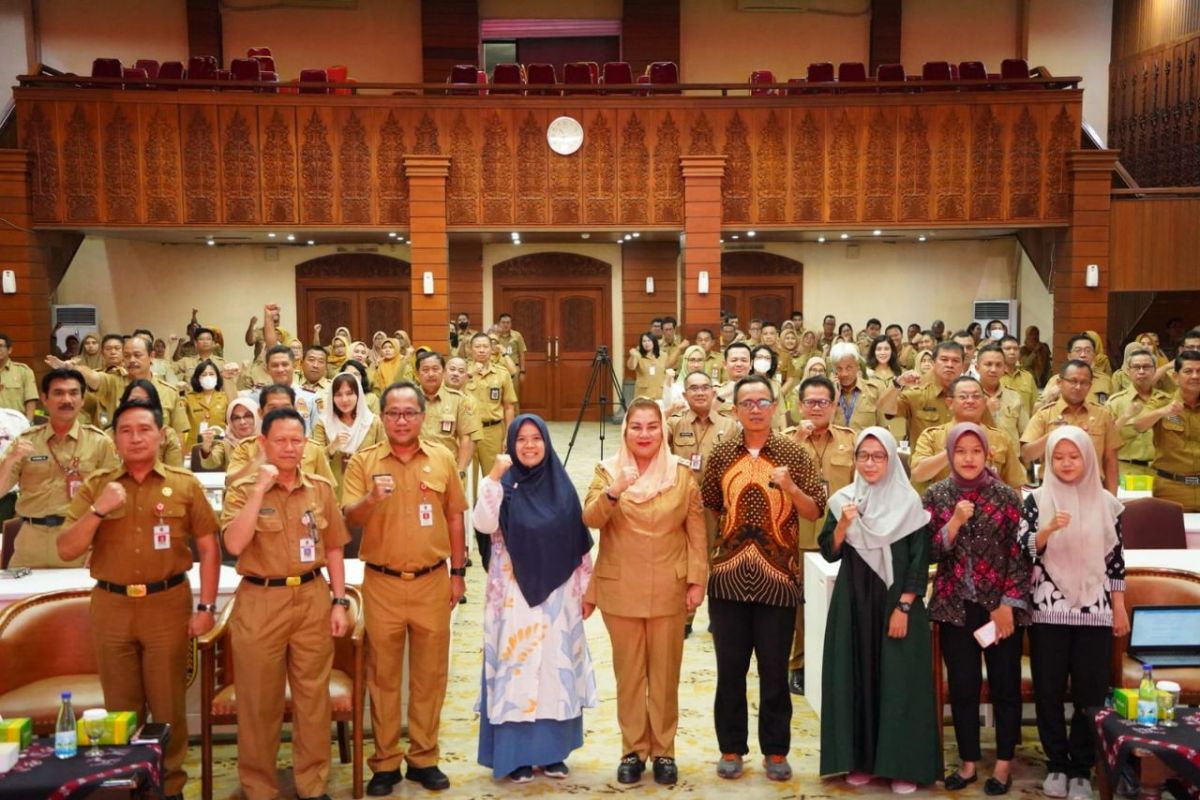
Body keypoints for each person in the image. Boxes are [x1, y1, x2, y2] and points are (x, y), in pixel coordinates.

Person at [58, 399, 221, 800]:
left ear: (161, 434)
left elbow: (209, 547)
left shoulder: (184, 484)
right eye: (126, 430)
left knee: (168, 707)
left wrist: (206, 608)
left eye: (144, 429)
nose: (135, 437)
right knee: (121, 709)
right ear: (114, 438)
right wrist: (99, 510)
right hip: (111, 606)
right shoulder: (98, 485)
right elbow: (66, 548)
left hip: (167, 603)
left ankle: (170, 788)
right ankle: (128, 785)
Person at [343, 382, 468, 794]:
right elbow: (351, 519)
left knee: (429, 676)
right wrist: (371, 498)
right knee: (383, 677)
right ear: (382, 417)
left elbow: (454, 518)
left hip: (433, 580)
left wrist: (458, 571)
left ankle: (423, 757)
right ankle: (384, 762)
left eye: (409, 412)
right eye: (393, 413)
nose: (401, 420)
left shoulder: (443, 458)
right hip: (382, 583)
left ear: (421, 416)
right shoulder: (363, 462)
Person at [221, 406, 351, 800]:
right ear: (263, 443)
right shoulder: (243, 489)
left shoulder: (320, 488)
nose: (290, 448)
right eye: (281, 440)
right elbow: (233, 544)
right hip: (260, 600)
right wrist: (260, 488)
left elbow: (333, 549)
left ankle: (312, 785)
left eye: (297, 440)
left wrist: (339, 601)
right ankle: (260, 788)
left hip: (312, 597)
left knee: (313, 700)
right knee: (259, 701)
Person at [702, 376, 825, 782]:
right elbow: (710, 510)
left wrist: (788, 486)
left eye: (762, 402)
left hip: (779, 579)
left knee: (774, 671)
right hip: (728, 578)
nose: (755, 409)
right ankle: (731, 748)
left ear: (775, 407)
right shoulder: (720, 455)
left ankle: (776, 751)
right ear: (735, 409)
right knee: (730, 670)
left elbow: (813, 512)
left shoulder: (796, 454)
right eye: (746, 402)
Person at [583, 398, 707, 786]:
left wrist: (696, 580)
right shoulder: (606, 472)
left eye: (652, 426)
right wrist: (616, 490)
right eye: (636, 427)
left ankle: (664, 752)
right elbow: (589, 517)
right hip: (620, 589)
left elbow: (697, 533)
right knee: (630, 675)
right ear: (625, 431)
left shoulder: (682, 475)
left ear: (663, 430)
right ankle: (633, 751)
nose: (644, 434)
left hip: (669, 588)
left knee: (666, 674)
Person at [472, 416, 596, 783]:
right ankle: (517, 755)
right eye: (521, 439)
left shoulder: (561, 485)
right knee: (518, 672)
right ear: (511, 444)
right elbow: (482, 524)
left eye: (536, 438)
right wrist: (493, 479)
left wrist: (587, 591)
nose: (529, 445)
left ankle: (553, 752)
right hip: (512, 597)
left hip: (559, 597)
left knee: (554, 673)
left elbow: (579, 541)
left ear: (546, 443)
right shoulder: (500, 485)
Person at [819, 426, 940, 794]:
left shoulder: (909, 505)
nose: (870, 463)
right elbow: (829, 550)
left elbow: (921, 562)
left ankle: (903, 765)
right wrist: (843, 524)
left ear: (891, 459)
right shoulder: (844, 500)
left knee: (900, 682)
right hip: (854, 603)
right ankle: (863, 761)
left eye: (878, 456)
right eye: (863, 456)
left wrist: (904, 604)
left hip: (896, 604)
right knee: (859, 676)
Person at [1020, 427, 1128, 800]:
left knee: (1091, 692)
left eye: (1074, 456)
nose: (1067, 464)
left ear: (1088, 458)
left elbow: (1115, 561)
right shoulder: (1035, 500)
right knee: (1048, 690)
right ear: (1049, 461)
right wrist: (1047, 529)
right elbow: (1025, 551)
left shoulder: (1108, 504)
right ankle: (1056, 763)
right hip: (1048, 612)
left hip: (1094, 612)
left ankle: (1081, 767)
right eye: (1059, 457)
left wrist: (1119, 607)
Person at [924, 423, 1029, 796]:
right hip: (955, 608)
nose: (968, 458)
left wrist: (1007, 604)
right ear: (951, 454)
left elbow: (1021, 556)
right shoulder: (936, 495)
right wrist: (953, 523)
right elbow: (928, 553)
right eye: (961, 451)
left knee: (1005, 687)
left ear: (987, 454)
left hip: (999, 609)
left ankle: (1002, 764)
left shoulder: (1006, 496)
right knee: (964, 688)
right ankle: (968, 762)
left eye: (976, 451)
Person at [0, 368, 119, 567]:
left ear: (82, 399)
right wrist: (11, 459)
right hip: (30, 542)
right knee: (23, 599)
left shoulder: (99, 442)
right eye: (58, 393)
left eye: (73, 393)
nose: (67, 399)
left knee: (77, 598)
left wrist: (103, 547)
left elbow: (115, 501)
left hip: (79, 540)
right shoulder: (25, 441)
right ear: (44, 399)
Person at [786, 375, 856, 696]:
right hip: (797, 533)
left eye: (823, 402)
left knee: (841, 602)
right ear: (800, 405)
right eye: (810, 402)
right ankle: (799, 664)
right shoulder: (786, 439)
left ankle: (840, 663)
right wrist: (797, 441)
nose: (816, 407)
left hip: (840, 535)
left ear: (833, 405)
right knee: (800, 604)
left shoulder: (849, 440)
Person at [48, 335, 190, 443]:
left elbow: (179, 436)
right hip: (118, 462)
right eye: (127, 356)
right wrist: (70, 368)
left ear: (151, 356)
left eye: (137, 355)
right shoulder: (113, 382)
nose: (132, 360)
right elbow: (93, 377)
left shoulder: (169, 392)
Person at [909, 376, 1027, 493]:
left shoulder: (1001, 438)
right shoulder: (932, 436)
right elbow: (918, 474)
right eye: (963, 397)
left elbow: (1014, 486)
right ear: (950, 403)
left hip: (991, 509)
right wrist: (951, 451)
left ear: (984, 402)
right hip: (945, 507)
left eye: (976, 396)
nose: (970, 401)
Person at [1022, 361, 1119, 493]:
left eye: (1084, 382)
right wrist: (1052, 436)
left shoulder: (1103, 415)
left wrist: (1112, 500)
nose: (1078, 387)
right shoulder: (1044, 415)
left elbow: (1110, 460)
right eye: (1073, 381)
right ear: (1060, 382)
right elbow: (1027, 455)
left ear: (1090, 385)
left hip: (1092, 490)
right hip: (1053, 491)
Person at [1132, 348, 1200, 510]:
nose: (1195, 376)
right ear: (1176, 377)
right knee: (1169, 534)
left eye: (1199, 371)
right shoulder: (1162, 401)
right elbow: (1138, 425)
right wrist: (1163, 412)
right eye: (1188, 371)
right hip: (1171, 488)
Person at [225, 385, 335, 486]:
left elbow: (328, 493)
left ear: (295, 410)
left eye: (285, 408)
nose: (280, 413)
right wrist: (259, 459)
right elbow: (231, 484)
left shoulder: (313, 449)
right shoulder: (246, 448)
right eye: (273, 409)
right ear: (261, 413)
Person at [310, 372, 386, 500]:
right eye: (338, 394)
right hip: (333, 489)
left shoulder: (373, 422)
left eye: (349, 393)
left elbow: (384, 456)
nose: (344, 399)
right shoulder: (323, 423)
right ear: (332, 397)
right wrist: (333, 446)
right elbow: (316, 461)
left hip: (367, 488)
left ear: (359, 395)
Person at [1106, 348, 1172, 482]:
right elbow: (1106, 438)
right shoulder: (1116, 402)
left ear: (1155, 370)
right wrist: (1126, 416)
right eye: (1136, 367)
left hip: (1161, 473)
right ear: (1129, 371)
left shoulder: (1168, 401)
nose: (1141, 371)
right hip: (1128, 471)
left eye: (1146, 367)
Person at [881, 340, 966, 444]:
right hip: (924, 458)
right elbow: (886, 409)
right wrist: (898, 384)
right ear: (934, 363)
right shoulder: (917, 394)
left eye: (956, 360)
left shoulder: (973, 398)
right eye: (944, 359)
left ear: (963, 366)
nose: (949, 365)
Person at [416, 351, 481, 478]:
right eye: (425, 370)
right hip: (414, 466)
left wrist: (461, 469)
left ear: (443, 372)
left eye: (435, 369)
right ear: (418, 373)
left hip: (447, 468)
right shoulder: (408, 397)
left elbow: (465, 438)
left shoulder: (458, 400)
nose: (431, 374)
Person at [118, 380, 184, 467]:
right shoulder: (110, 436)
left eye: (146, 401)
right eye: (134, 400)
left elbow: (175, 476)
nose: (140, 405)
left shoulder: (168, 435)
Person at [976, 344, 1029, 447]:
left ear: (1004, 368)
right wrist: (986, 412)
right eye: (988, 364)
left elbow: (1025, 436)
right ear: (977, 367)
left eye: (998, 365)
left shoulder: (1015, 397)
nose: (993, 369)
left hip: (1010, 460)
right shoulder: (968, 396)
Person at [829, 342, 886, 433]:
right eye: (839, 369)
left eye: (848, 368)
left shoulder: (875, 390)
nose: (844, 374)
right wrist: (833, 398)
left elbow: (884, 429)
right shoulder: (826, 393)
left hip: (865, 446)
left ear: (857, 367)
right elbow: (821, 431)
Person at [1041, 335, 1113, 406]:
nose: (1083, 355)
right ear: (1069, 356)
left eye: (1088, 351)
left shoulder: (1105, 381)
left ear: (1094, 356)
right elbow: (1036, 411)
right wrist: (1050, 397)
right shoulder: (1057, 380)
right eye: (1078, 350)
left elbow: (1114, 410)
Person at [197, 396, 258, 470]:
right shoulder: (226, 443)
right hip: (234, 481)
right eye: (236, 418)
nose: (242, 422)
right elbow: (210, 464)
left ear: (257, 416)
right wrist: (206, 449)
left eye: (248, 416)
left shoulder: (268, 441)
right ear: (230, 421)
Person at [182, 359, 228, 450]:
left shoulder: (224, 397)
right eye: (204, 374)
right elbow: (179, 417)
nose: (208, 377)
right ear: (197, 378)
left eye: (211, 374)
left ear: (217, 377)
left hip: (218, 447)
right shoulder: (189, 398)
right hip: (194, 447)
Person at [0, 333, 38, 421]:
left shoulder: (23, 371)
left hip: (16, 425)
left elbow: (31, 399)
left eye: (1, 346)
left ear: (9, 350)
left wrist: (28, 424)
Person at [999, 335, 1039, 416]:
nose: (1012, 352)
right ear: (999, 352)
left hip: (1025, 426)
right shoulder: (994, 376)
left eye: (1016, 349)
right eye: (1007, 349)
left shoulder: (1027, 377)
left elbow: (1035, 406)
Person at [628, 332, 666, 401]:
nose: (646, 343)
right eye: (644, 341)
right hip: (643, 394)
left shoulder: (663, 355)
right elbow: (631, 367)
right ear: (641, 343)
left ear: (654, 342)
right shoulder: (637, 354)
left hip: (659, 393)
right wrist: (632, 356)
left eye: (649, 341)